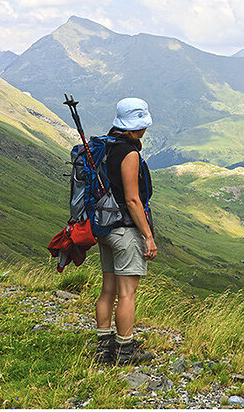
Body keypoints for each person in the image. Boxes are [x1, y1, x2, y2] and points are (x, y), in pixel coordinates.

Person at [93, 98, 157, 365]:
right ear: (133, 127)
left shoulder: (105, 147)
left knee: (107, 289)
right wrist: (148, 236)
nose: (144, 130)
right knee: (127, 293)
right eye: (141, 126)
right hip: (125, 230)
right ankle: (124, 351)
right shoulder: (129, 154)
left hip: (105, 227)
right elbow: (132, 200)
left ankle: (103, 347)